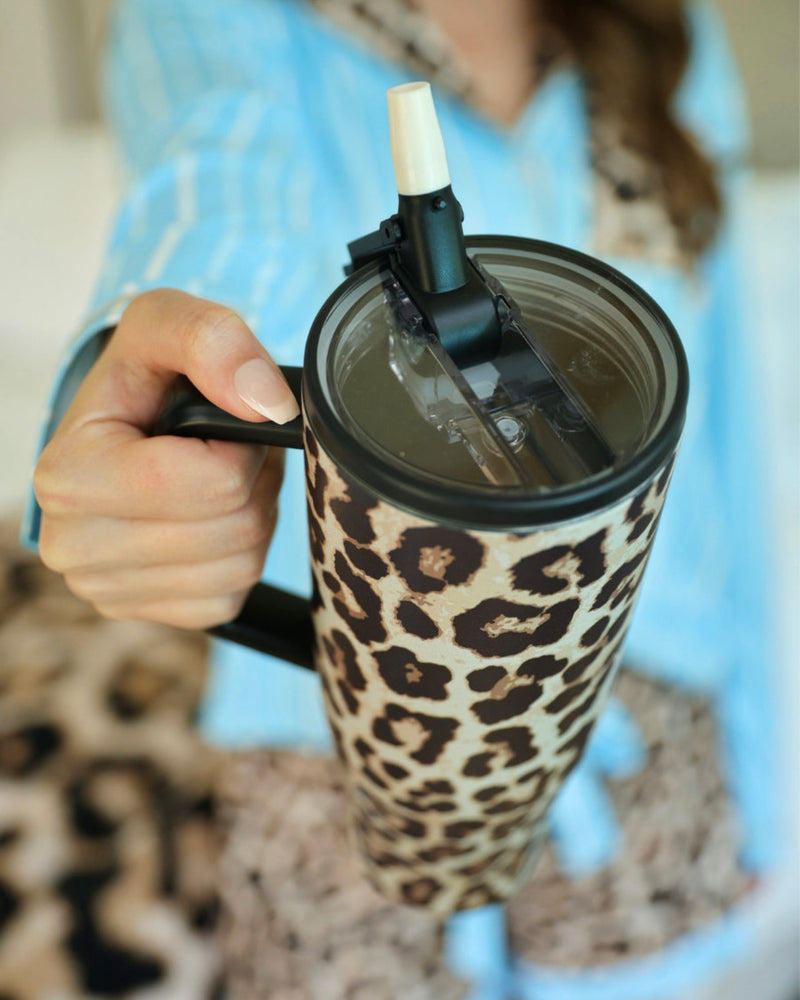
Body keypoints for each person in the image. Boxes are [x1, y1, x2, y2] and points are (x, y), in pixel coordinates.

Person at [23, 0, 780, 995]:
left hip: (654, 707)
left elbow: (725, 421)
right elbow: (215, 201)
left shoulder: (668, 27)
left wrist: (767, 769)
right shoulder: (204, 17)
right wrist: (141, 381)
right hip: (339, 757)